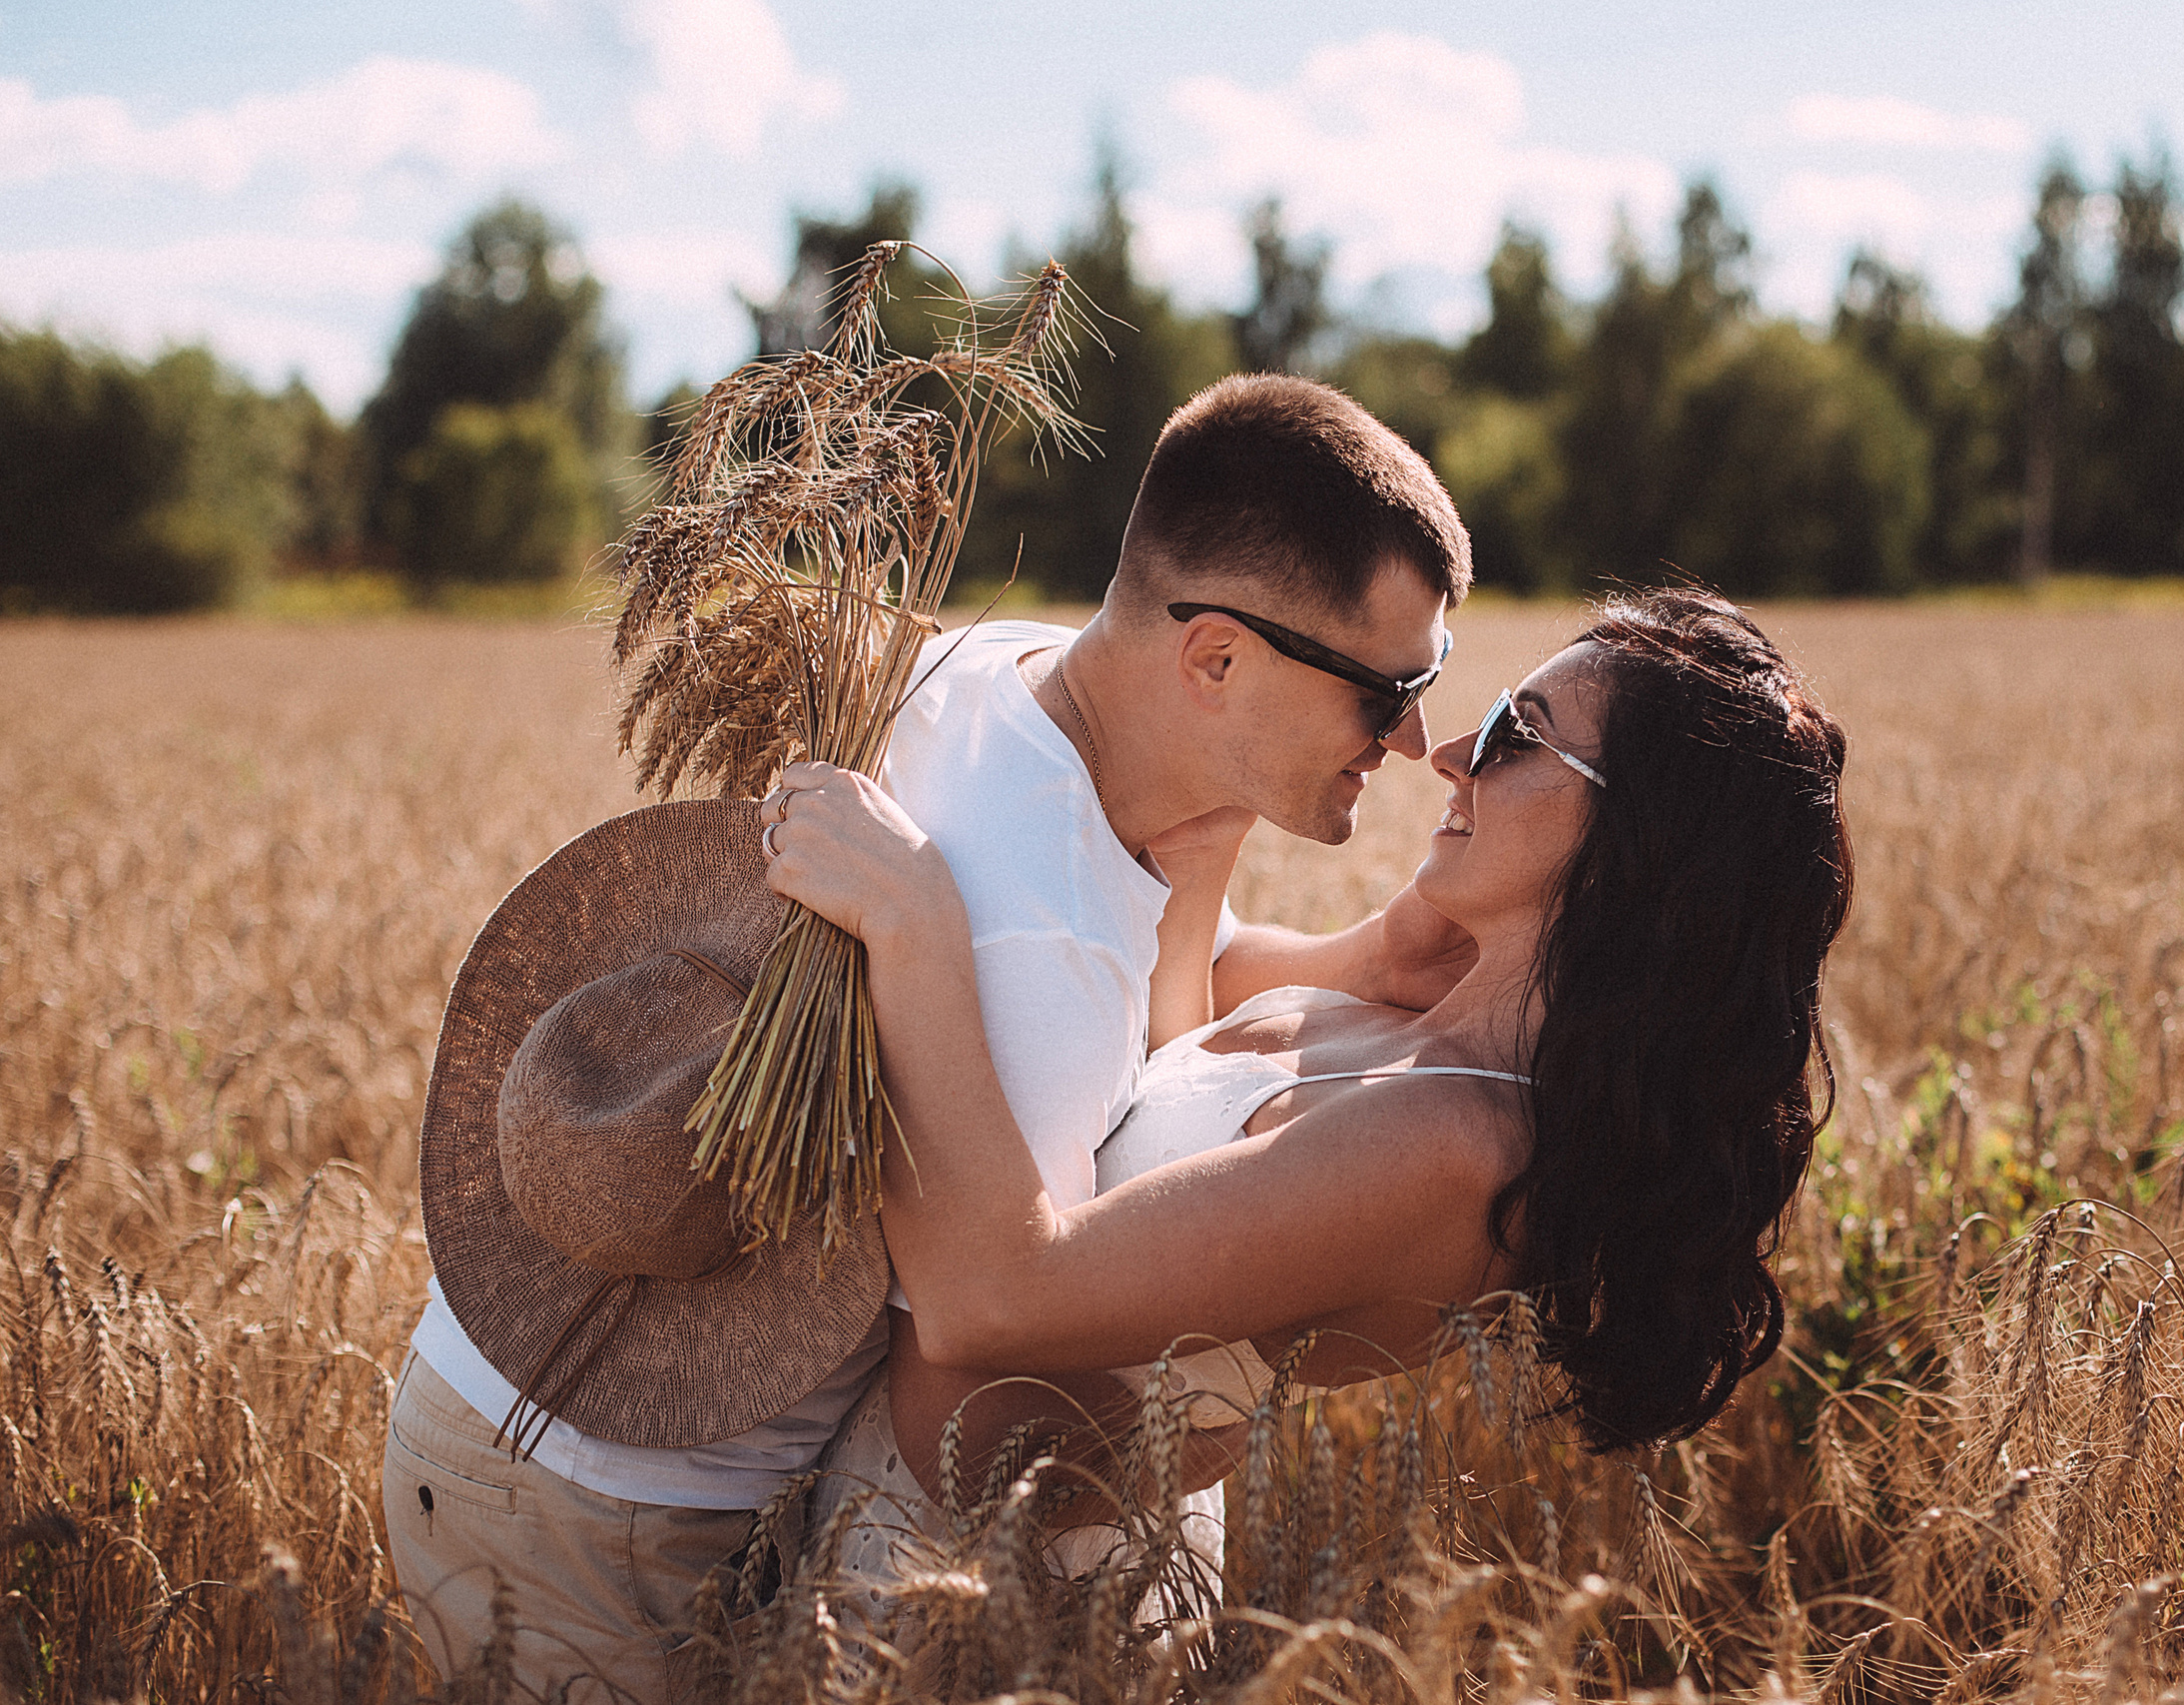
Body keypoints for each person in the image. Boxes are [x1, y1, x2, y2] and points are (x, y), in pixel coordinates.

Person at [383, 372, 1480, 1701]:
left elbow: (1133, 977)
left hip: (506, 1379)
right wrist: (1247, 1371)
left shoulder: (1013, 674)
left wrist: (1362, 957)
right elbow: (961, 1387)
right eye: (1387, 687)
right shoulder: (1025, 956)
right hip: (590, 1511)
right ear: (1215, 658)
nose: (1417, 735)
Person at [756, 586, 1854, 1604]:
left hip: (988, 1602)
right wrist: (1213, 834)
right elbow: (1173, 1070)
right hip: (883, 1515)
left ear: (1641, 848)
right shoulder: (1427, 1013)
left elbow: (989, 1301)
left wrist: (913, 926)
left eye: (1520, 737)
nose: (1456, 754)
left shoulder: (1458, 1146)